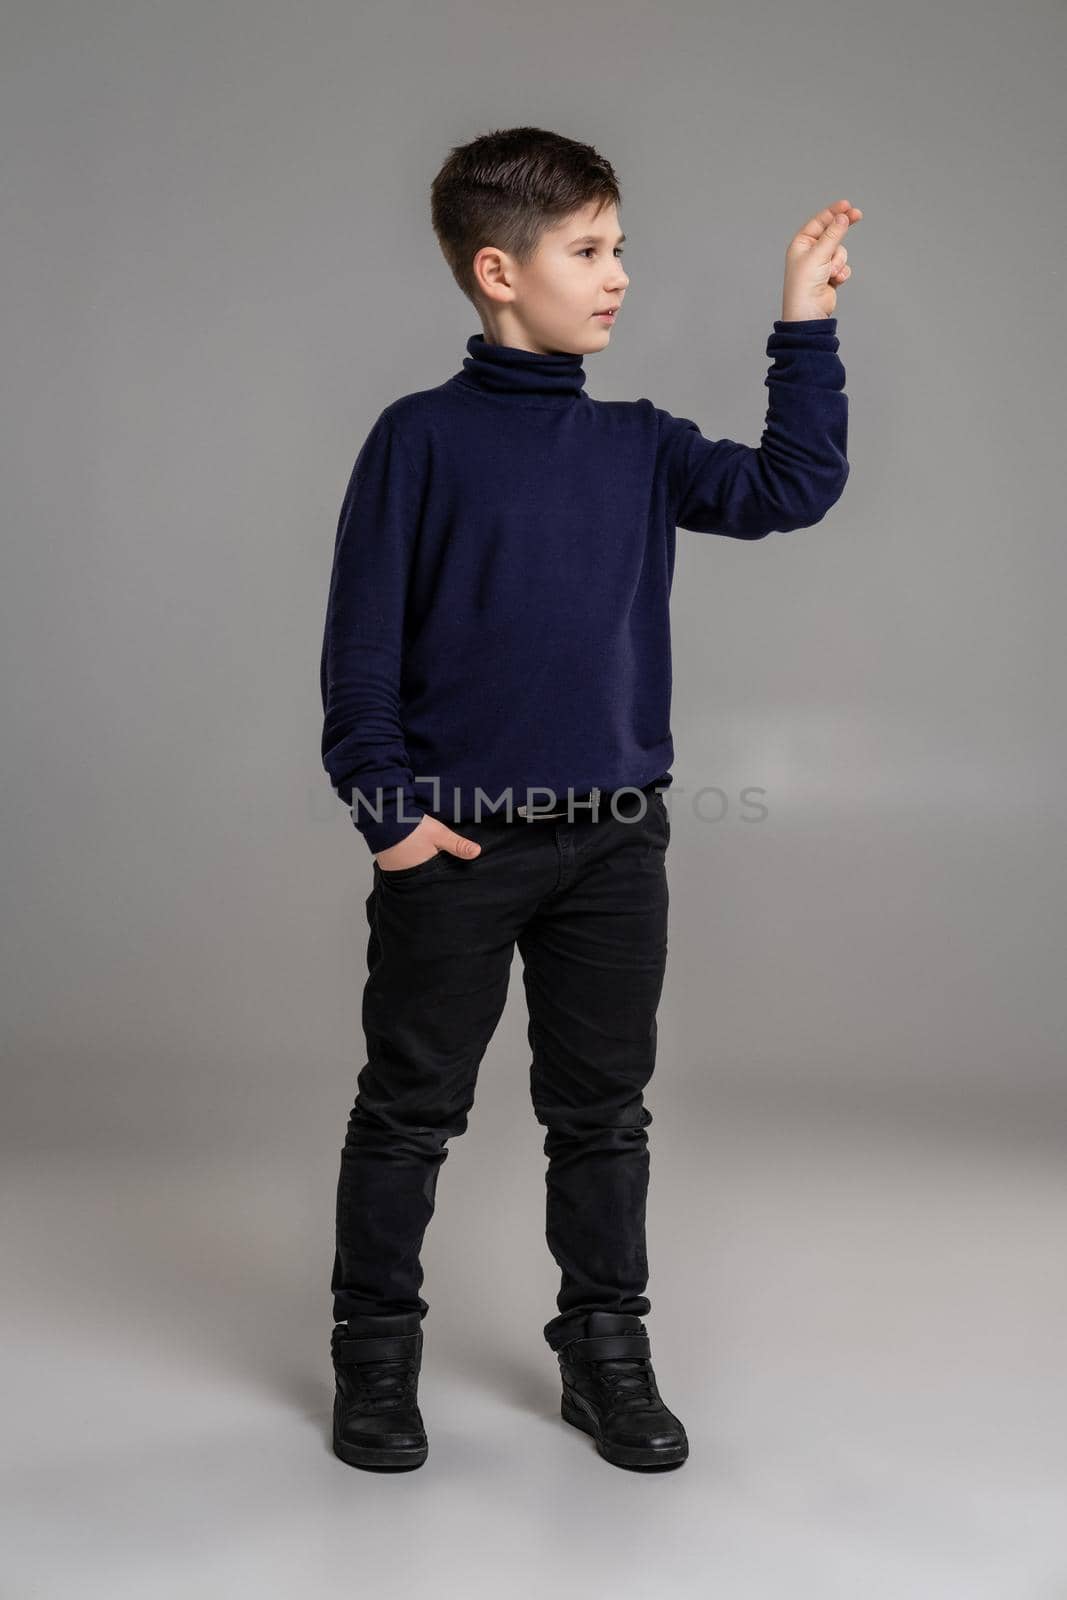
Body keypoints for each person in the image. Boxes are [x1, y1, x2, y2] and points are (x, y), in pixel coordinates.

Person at [320, 124, 859, 1473]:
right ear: (498, 271)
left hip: (614, 842)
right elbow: (363, 649)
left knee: (603, 1113)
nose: (618, 275)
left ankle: (605, 1352)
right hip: (455, 849)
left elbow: (791, 487)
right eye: (590, 251)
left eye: (619, 247)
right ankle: (374, 1354)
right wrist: (386, 811)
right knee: (408, 1109)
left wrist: (805, 323)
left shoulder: (638, 446)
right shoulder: (418, 442)